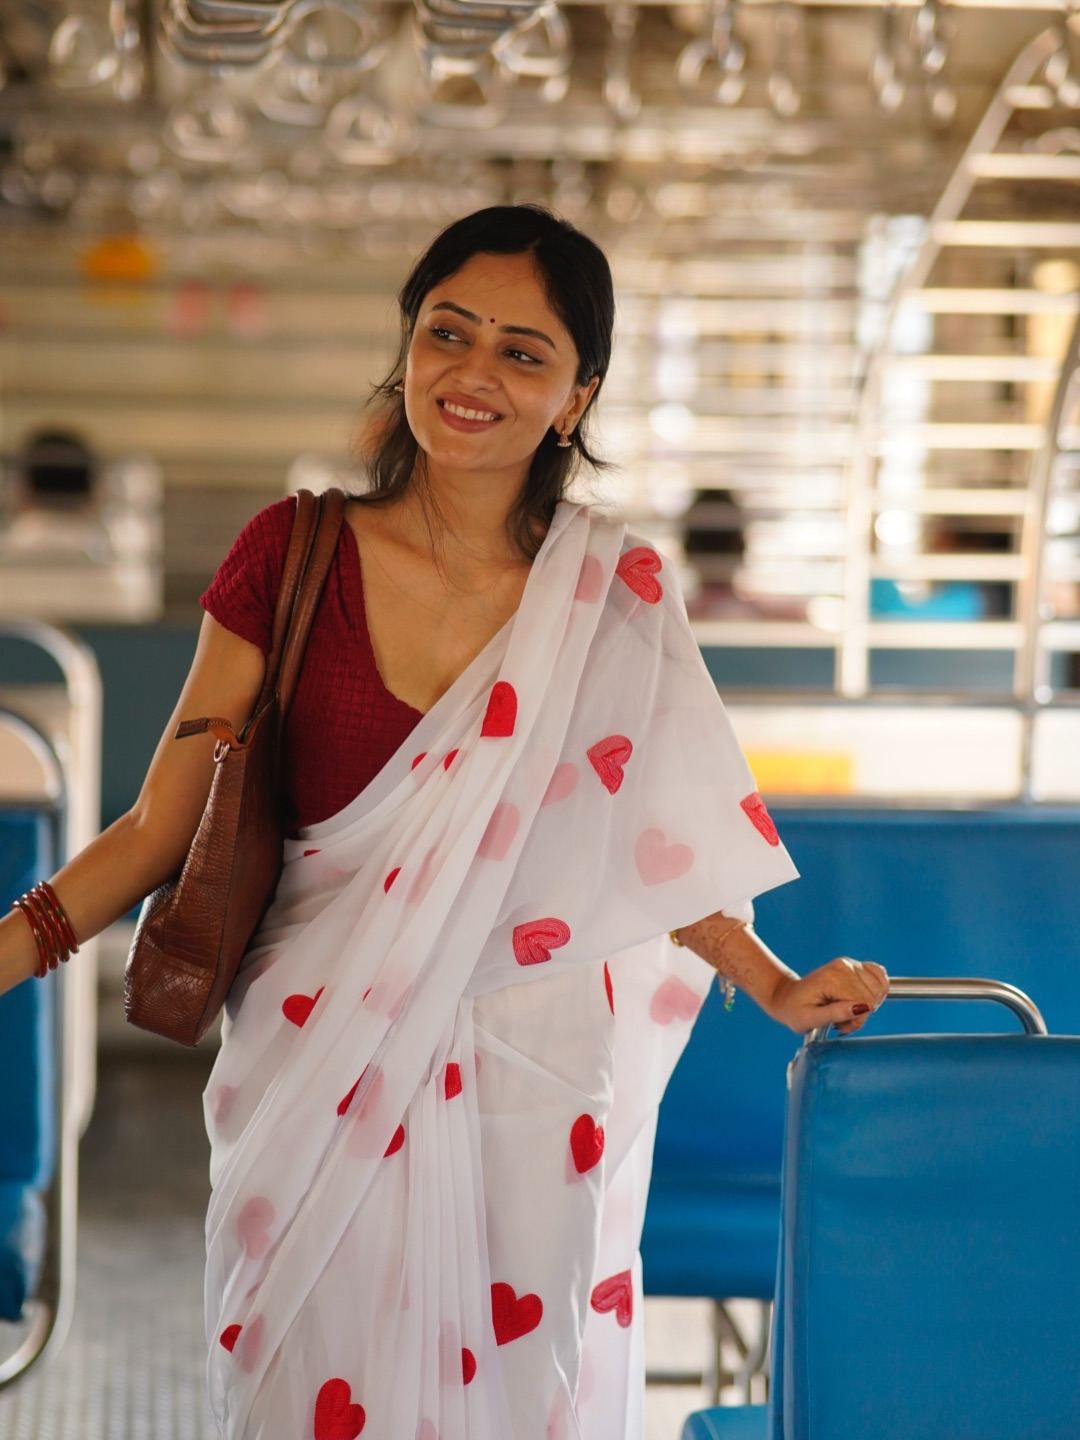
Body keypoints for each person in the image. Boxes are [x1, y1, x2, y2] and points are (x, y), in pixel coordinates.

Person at [1, 203, 889, 1440]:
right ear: (406, 346)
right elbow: (162, 824)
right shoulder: (290, 552)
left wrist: (776, 982)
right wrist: (12, 947)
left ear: (577, 397)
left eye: (523, 353)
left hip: (531, 1074)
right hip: (313, 1058)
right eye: (447, 333)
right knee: (296, 1387)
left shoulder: (610, 589)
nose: (473, 374)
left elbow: (657, 836)